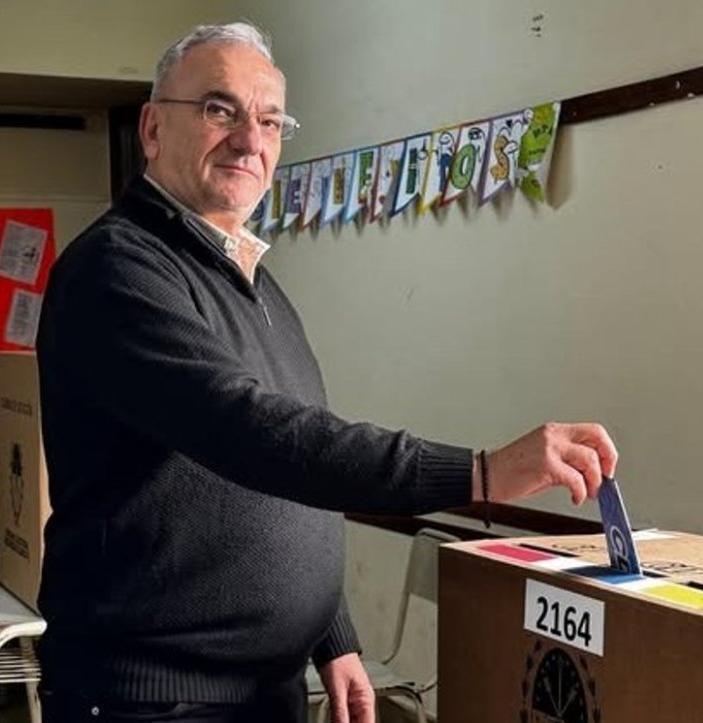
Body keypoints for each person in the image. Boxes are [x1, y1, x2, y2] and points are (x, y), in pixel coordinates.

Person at [34, 21, 618, 723]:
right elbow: (249, 432)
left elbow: (294, 472)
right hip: (152, 700)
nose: (250, 139)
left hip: (266, 690)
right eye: (220, 109)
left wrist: (331, 637)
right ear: (153, 129)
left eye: (271, 120)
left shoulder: (254, 282)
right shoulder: (118, 271)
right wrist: (481, 473)